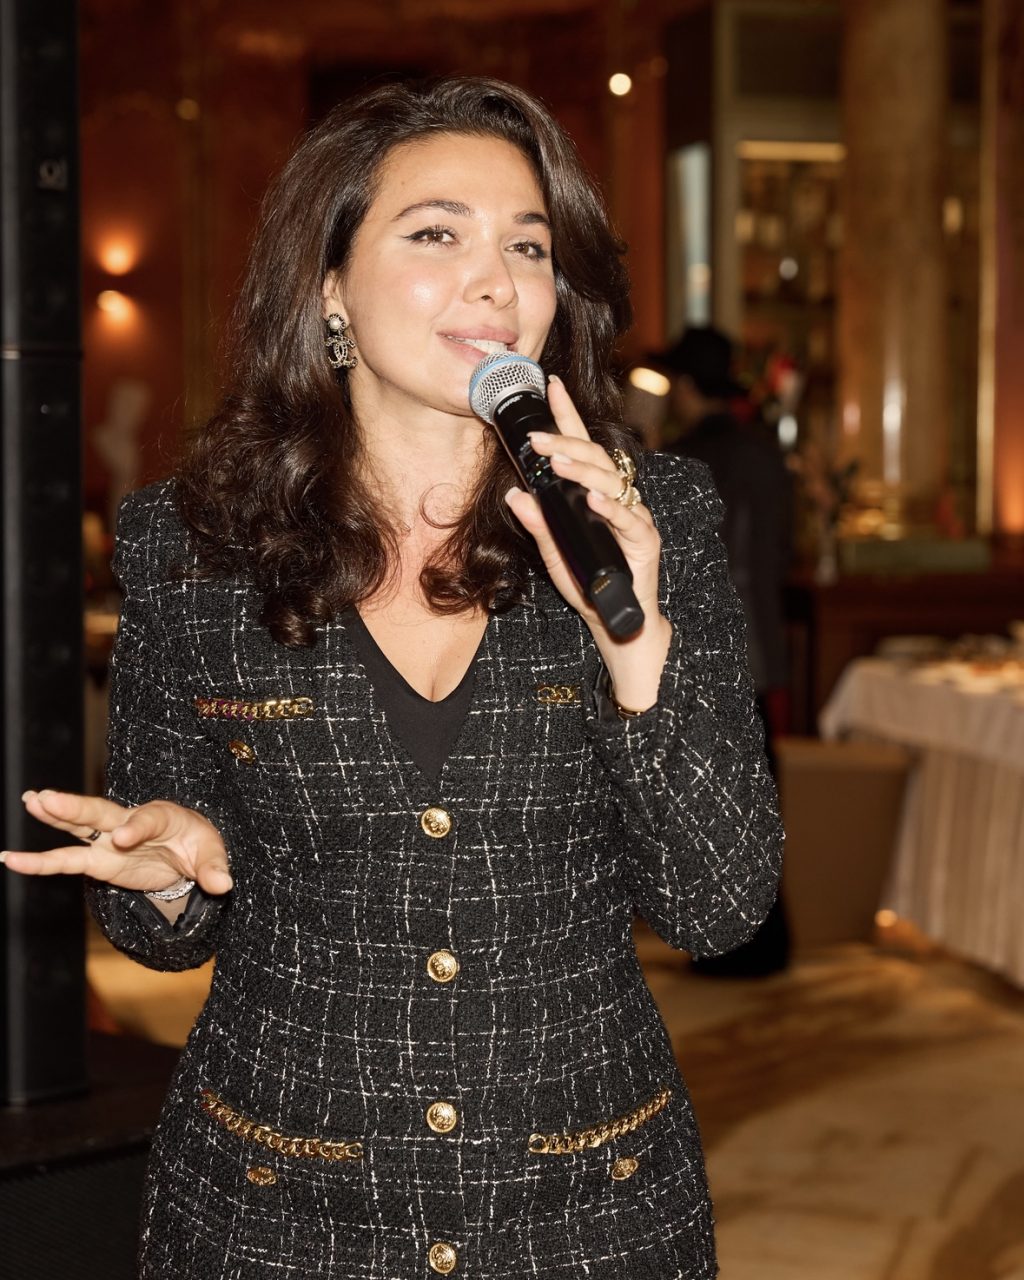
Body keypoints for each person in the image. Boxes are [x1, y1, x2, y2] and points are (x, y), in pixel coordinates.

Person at [1, 78, 782, 1279]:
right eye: (435, 234)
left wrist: (636, 644)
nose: (495, 281)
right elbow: (154, 928)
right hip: (277, 1212)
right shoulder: (194, 545)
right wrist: (171, 872)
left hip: (586, 1212)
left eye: (527, 245)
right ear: (328, 288)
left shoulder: (648, 516)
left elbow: (719, 906)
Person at [655, 325, 792, 976]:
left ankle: (729, 948)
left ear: (685, 387)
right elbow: (780, 551)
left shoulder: (678, 461)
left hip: (702, 651)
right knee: (759, 798)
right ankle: (767, 941)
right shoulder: (763, 453)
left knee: (709, 805)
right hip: (761, 647)